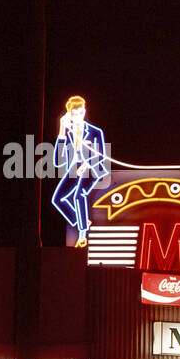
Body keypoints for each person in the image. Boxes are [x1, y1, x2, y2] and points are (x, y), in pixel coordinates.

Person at [51, 95, 110, 247]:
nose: (78, 116)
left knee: (79, 195)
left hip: (93, 169)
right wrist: (62, 130)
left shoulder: (95, 132)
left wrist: (87, 164)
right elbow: (58, 162)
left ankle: (83, 234)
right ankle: (80, 220)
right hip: (75, 169)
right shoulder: (67, 132)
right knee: (57, 199)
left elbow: (101, 156)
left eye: (81, 112)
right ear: (69, 115)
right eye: (74, 114)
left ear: (84, 111)